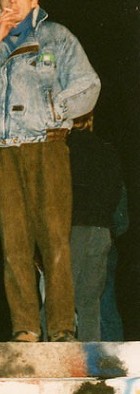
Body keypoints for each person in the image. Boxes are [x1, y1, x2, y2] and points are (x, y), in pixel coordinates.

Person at [0, 0, 100, 342]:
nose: (11, 0)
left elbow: (87, 83)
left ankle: (63, 328)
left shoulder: (57, 37)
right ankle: (25, 328)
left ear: (34, 2)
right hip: (0, 152)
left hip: (45, 145)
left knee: (54, 240)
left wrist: (56, 109)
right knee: (13, 244)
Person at [68, 112, 123, 341]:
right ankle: (89, 360)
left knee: (59, 300)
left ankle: (53, 357)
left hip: (73, 228)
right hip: (101, 230)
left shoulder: (63, 149)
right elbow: (116, 195)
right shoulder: (108, 150)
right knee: (90, 301)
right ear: (90, 120)